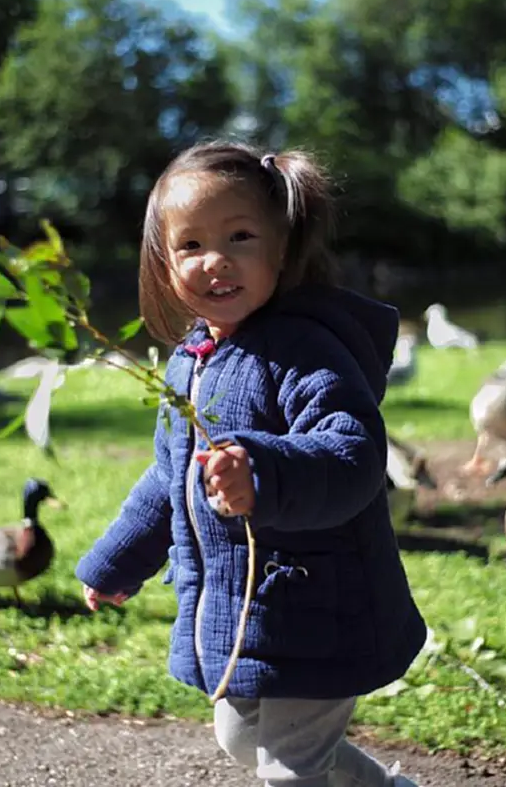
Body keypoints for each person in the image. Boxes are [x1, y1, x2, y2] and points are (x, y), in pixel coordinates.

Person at [74, 140, 427, 787]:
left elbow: (351, 453)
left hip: (319, 604)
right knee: (241, 739)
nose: (215, 261)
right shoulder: (192, 361)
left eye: (239, 237)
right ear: (163, 262)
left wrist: (260, 470)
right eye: (190, 246)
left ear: (282, 248)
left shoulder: (305, 351)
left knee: (288, 769)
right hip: (245, 614)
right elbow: (170, 480)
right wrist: (117, 561)